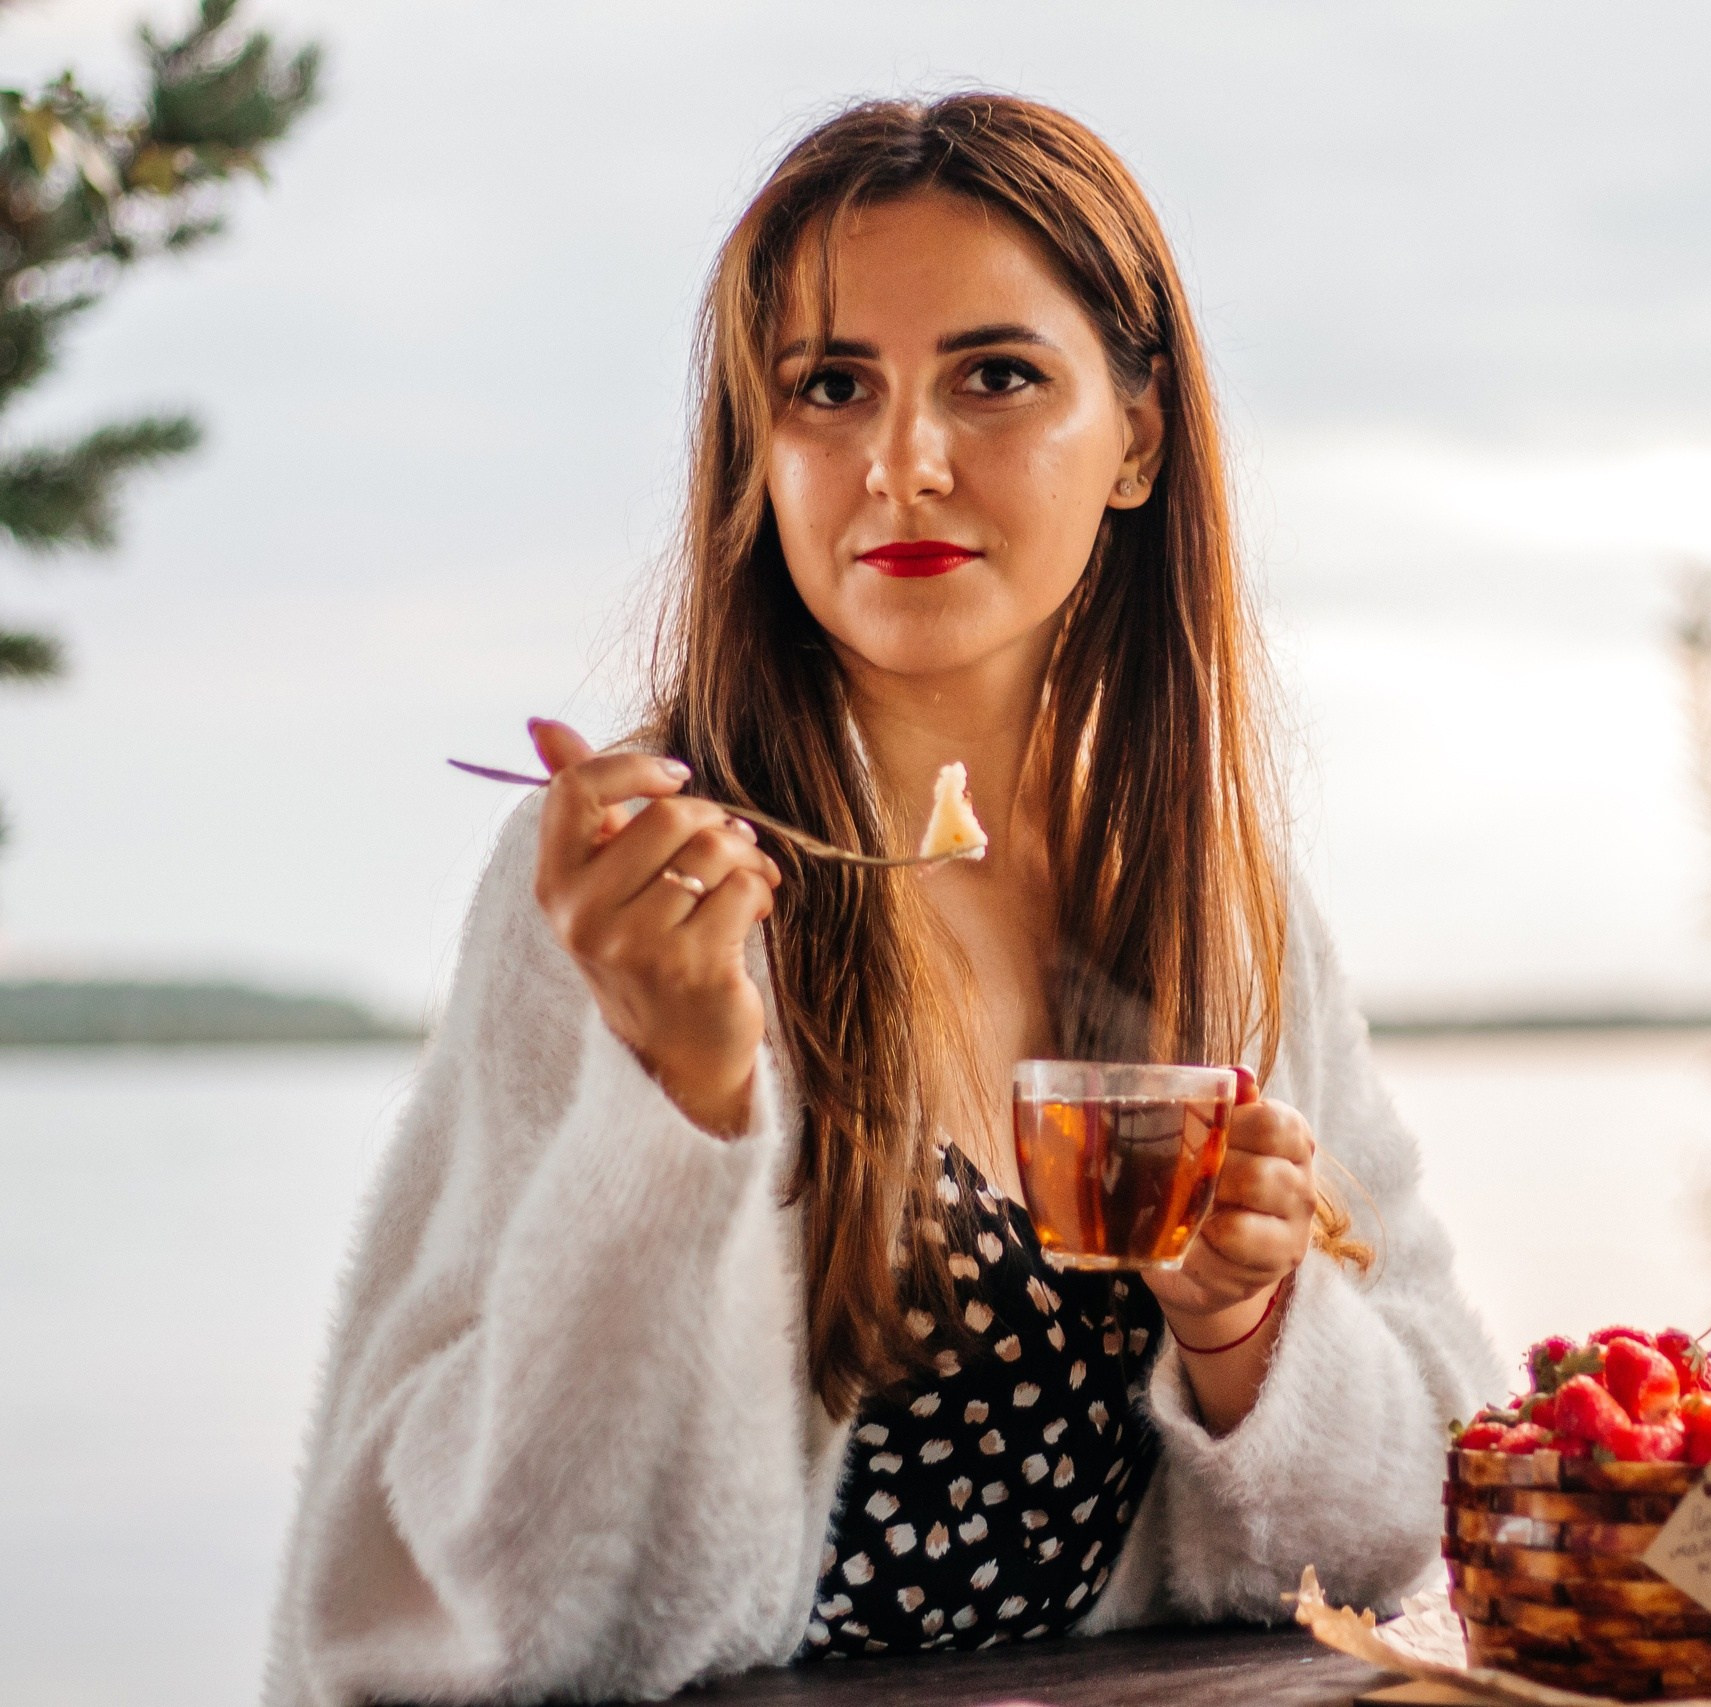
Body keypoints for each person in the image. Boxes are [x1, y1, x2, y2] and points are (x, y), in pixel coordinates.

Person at [262, 93, 1501, 1706]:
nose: (904, 462)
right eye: (831, 388)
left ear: (1137, 439)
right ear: (760, 453)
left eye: (996, 377)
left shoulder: (1232, 911)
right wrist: (678, 1103)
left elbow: (1437, 1511)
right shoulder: (643, 896)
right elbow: (541, 1618)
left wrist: (1252, 1334)